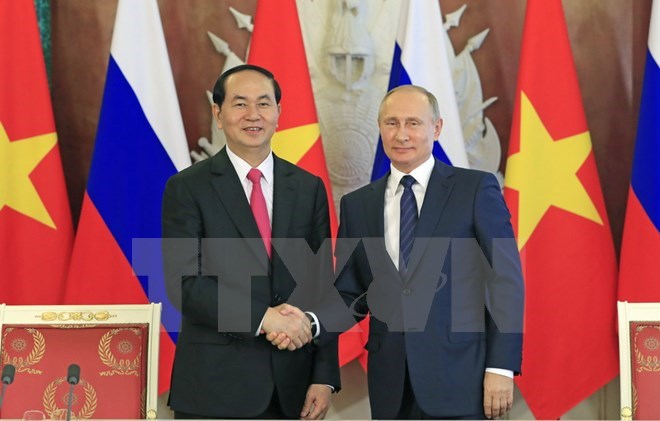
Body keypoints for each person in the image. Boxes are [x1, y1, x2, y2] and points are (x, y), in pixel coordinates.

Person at [334, 85, 524, 419]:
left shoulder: (476, 189)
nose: (402, 134)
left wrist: (501, 366)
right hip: (390, 384)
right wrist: (307, 321)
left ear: (436, 128)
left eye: (413, 123)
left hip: (463, 378)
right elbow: (351, 292)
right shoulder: (356, 205)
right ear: (380, 128)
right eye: (392, 123)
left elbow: (505, 281)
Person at [162, 64, 339, 419]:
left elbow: (321, 286)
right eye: (240, 104)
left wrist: (324, 376)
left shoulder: (308, 188)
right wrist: (263, 318)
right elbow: (185, 285)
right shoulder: (187, 188)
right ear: (218, 113)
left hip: (292, 388)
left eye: (264, 104)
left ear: (278, 113)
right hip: (215, 388)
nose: (253, 115)